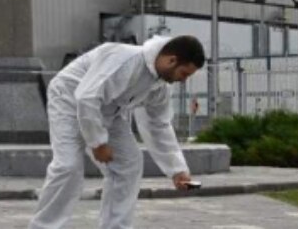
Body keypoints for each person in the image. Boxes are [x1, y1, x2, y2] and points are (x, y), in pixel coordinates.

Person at [29, 35, 205, 229]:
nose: (183, 80)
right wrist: (98, 143)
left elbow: (159, 125)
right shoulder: (124, 59)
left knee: (129, 164)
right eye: (184, 73)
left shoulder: (159, 87)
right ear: (171, 60)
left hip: (110, 111)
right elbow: (87, 98)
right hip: (69, 100)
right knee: (68, 166)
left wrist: (177, 170)